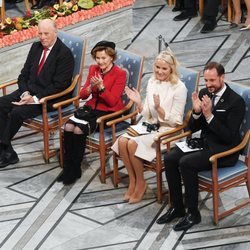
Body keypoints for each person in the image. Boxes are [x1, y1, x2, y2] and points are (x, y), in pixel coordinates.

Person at [156, 61, 245, 231]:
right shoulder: (205, 93)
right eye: (206, 80)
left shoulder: (236, 102)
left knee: (186, 163)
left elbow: (228, 137)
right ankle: (177, 207)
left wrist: (209, 115)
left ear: (222, 77)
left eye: (212, 80)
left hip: (224, 151)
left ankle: (193, 213)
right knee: (170, 158)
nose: (209, 85)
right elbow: (191, 128)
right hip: (204, 144)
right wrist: (197, 113)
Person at [111, 50, 187, 204]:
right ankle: (133, 180)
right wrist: (139, 102)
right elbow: (146, 114)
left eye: (164, 69)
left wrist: (159, 109)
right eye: (157, 67)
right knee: (122, 141)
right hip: (149, 126)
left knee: (132, 143)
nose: (159, 71)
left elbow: (177, 122)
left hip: (168, 132)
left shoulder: (179, 88)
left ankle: (140, 182)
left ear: (171, 69)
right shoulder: (153, 81)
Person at [0, 19, 74, 168]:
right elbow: (23, 75)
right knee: (1, 104)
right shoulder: (35, 47)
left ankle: (2, 146)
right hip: (28, 91)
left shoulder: (64, 54)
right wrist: (25, 93)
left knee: (17, 112)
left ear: (55, 32)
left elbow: (60, 86)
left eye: (46, 33)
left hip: (47, 98)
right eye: (40, 33)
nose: (42, 37)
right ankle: (9, 153)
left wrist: (33, 99)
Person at [57, 41, 126, 185]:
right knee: (68, 127)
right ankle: (68, 167)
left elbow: (113, 101)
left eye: (104, 58)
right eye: (98, 58)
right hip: (90, 110)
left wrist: (101, 88)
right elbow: (82, 95)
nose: (100, 61)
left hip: (109, 113)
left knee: (78, 129)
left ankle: (75, 169)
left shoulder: (120, 74)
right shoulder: (94, 69)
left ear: (111, 57)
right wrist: (89, 89)